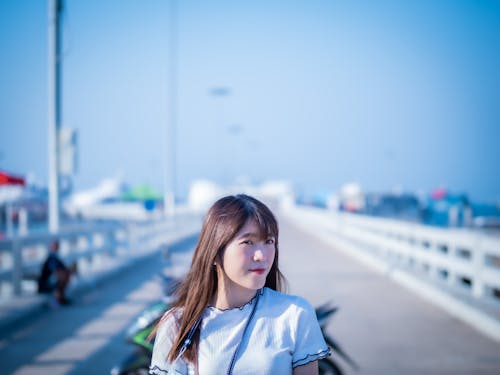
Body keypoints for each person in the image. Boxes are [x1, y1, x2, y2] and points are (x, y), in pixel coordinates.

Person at [149, 194, 330, 375]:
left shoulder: (294, 314)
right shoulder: (178, 325)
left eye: (269, 241)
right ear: (215, 252)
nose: (261, 255)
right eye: (248, 242)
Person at [37, 240, 77, 306]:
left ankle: (61, 297)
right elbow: (55, 270)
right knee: (63, 276)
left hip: (50, 281)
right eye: (54, 246)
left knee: (65, 275)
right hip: (46, 284)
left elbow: (62, 268)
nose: (56, 248)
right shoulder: (51, 258)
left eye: (57, 246)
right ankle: (59, 298)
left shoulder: (55, 257)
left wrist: (70, 269)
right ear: (50, 247)